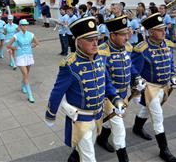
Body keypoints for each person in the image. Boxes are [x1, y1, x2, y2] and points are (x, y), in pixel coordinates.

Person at [45, 16, 124, 162]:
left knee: (85, 149)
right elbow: (57, 91)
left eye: (96, 38)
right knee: (89, 157)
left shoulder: (100, 58)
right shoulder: (70, 65)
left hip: (97, 115)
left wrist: (116, 98)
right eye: (90, 40)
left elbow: (106, 82)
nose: (95, 43)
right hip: (80, 119)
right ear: (78, 41)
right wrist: (51, 114)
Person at [131, 12, 176, 162]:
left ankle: (137, 128)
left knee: (146, 109)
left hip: (164, 86)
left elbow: (171, 63)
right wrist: (136, 84)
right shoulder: (142, 49)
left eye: (164, 29)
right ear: (151, 32)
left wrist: (173, 77)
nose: (164, 32)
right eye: (160, 30)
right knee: (158, 117)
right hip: (149, 88)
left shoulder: (167, 44)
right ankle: (164, 150)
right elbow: (132, 68)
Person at [97, 15, 145, 161]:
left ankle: (100, 139)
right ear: (112, 35)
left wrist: (137, 79)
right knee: (119, 131)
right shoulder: (102, 52)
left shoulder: (127, 47)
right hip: (108, 98)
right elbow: (103, 78)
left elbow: (130, 67)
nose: (127, 36)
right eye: (123, 34)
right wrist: (114, 97)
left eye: (127, 32)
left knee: (107, 122)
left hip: (122, 96)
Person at [7, 19, 39, 103]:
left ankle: (23, 85)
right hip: (20, 56)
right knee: (25, 74)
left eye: (26, 25)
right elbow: (8, 45)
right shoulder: (16, 35)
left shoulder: (31, 34)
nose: (24, 26)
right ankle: (30, 95)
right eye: (23, 25)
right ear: (20, 26)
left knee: (26, 74)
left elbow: (37, 43)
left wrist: (30, 46)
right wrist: (16, 48)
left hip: (29, 55)